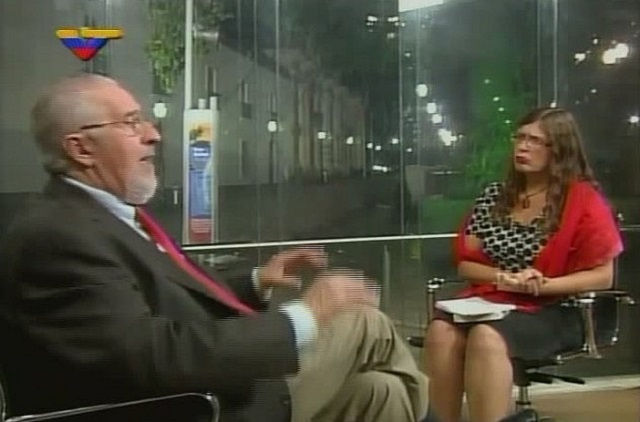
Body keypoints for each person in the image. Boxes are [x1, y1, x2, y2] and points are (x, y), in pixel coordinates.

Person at [0, 74, 429, 422]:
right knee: (367, 322)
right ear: (80, 148)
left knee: (380, 391)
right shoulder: (55, 236)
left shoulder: (98, 217)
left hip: (208, 395)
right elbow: (153, 356)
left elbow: (157, 298)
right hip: (199, 408)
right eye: (130, 123)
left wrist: (255, 282)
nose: (153, 134)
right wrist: (309, 314)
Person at [423, 107, 623, 422]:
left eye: (534, 141)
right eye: (519, 138)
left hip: (558, 308)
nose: (522, 147)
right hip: (496, 299)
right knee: (440, 331)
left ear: (558, 149)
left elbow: (603, 276)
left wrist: (543, 285)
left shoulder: (583, 201)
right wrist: (506, 278)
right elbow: (466, 266)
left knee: (487, 336)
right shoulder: (495, 196)